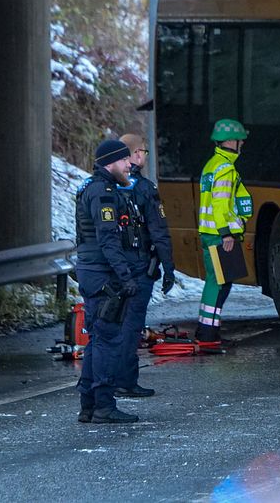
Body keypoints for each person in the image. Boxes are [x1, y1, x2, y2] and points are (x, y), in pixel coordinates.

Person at [75, 139, 140, 424]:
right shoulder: (103, 192)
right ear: (111, 162)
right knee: (108, 339)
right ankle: (103, 404)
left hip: (93, 272)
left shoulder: (93, 187)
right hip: (102, 275)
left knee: (97, 339)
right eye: (125, 160)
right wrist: (125, 276)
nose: (130, 164)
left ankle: (89, 405)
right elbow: (108, 238)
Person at [113, 133, 176, 398]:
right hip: (139, 266)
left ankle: (104, 380)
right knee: (131, 324)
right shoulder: (145, 189)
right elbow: (158, 232)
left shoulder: (101, 186)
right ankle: (126, 381)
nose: (144, 157)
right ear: (136, 154)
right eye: (143, 152)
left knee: (109, 324)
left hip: (111, 266)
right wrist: (168, 268)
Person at [197, 118, 253, 352]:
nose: (242, 144)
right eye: (240, 140)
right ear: (230, 141)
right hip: (219, 236)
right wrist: (226, 233)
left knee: (217, 282)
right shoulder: (225, 168)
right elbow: (220, 204)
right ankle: (208, 335)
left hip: (211, 233)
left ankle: (207, 330)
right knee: (219, 284)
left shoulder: (213, 164)